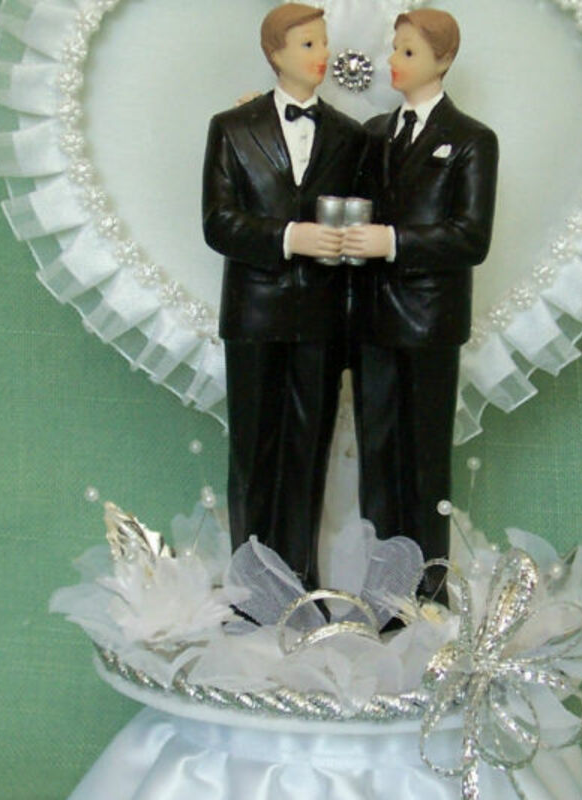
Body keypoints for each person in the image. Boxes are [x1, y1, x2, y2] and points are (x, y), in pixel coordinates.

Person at [201, 3, 365, 589]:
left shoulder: (350, 137)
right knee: (253, 453)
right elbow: (219, 223)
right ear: (274, 52)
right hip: (254, 315)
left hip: (322, 318)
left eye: (323, 43)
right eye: (307, 44)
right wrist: (290, 237)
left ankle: (300, 582)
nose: (321, 54)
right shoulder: (232, 128)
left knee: (308, 452)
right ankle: (251, 587)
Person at [341, 9, 499, 570]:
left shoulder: (472, 140)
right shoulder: (373, 133)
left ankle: (429, 585)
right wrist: (255, 112)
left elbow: (470, 237)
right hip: (371, 319)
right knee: (377, 454)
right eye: (395, 49)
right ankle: (381, 582)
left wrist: (392, 242)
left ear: (444, 59)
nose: (394, 61)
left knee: (425, 458)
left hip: (429, 320)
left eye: (408, 52)